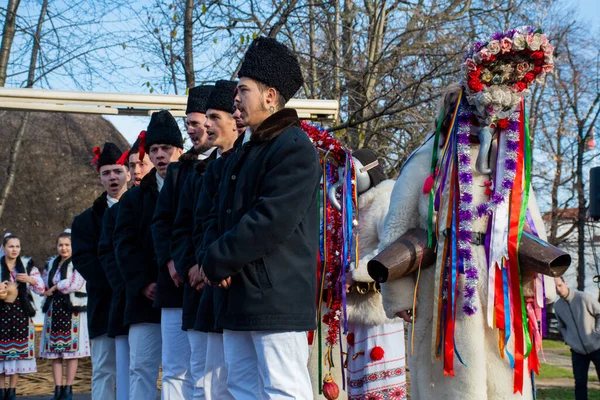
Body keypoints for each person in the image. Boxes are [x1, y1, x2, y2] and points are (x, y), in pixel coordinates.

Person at [199, 37, 320, 399]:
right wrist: (211, 257)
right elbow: (214, 214)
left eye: (243, 89)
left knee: (284, 390)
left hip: (276, 298)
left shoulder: (295, 148)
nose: (235, 98)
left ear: (270, 95)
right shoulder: (244, 152)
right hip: (238, 296)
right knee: (241, 389)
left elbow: (270, 220)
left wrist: (218, 259)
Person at [150, 85, 214, 399]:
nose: (190, 129)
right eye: (187, 123)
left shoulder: (226, 162)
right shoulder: (179, 171)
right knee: (176, 366)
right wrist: (173, 260)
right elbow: (164, 222)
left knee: (208, 368)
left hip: (211, 278)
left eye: (195, 122)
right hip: (177, 282)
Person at [114, 110, 183, 400]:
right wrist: (143, 282)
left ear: (179, 150)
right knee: (141, 368)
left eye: (166, 148)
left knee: (179, 370)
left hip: (181, 291)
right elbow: (123, 244)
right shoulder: (133, 199)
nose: (160, 155)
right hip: (145, 298)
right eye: (153, 150)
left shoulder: (192, 185)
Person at [188, 79, 241, 399]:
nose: (206, 125)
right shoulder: (208, 169)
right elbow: (202, 222)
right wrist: (204, 262)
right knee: (208, 382)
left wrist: (222, 263)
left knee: (236, 379)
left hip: (236, 282)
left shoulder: (247, 161)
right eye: (204, 118)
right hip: (210, 284)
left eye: (214, 117)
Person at [71, 142, 130, 400]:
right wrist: (117, 282)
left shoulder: (144, 209)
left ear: (128, 172)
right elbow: (84, 260)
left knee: (136, 368)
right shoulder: (85, 220)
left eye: (117, 171)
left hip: (137, 303)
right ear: (100, 177)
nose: (112, 177)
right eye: (106, 173)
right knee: (104, 369)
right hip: (104, 304)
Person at [97, 132, 148, 400]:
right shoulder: (115, 212)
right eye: (133, 166)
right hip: (128, 300)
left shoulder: (168, 200)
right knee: (131, 371)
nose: (136, 171)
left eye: (142, 165)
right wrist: (133, 284)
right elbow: (108, 254)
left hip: (166, 296)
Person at [40, 229, 89, 400]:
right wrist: (42, 287)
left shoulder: (79, 262)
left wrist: (56, 286)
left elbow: (75, 283)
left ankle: (68, 388)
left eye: (67, 245)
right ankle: (58, 388)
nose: (64, 248)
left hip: (72, 311)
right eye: (60, 245)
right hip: (55, 310)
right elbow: (44, 281)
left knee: (71, 353)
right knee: (56, 353)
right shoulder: (52, 263)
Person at [0, 233, 45, 400]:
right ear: (4, 248)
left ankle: (12, 391)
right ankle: (1, 391)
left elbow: (41, 289)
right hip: (2, 314)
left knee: (16, 354)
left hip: (21, 314)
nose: (14, 250)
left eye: (17, 246)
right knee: (1, 355)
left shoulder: (27, 267)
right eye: (11, 246)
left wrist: (31, 280)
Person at [554, 277, 600, 400]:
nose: (558, 289)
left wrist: (597, 333)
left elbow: (599, 313)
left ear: (565, 283)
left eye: (560, 285)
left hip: (597, 347)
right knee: (579, 384)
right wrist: (569, 340)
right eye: (555, 287)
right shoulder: (557, 306)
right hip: (577, 352)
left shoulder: (583, 297)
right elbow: (561, 326)